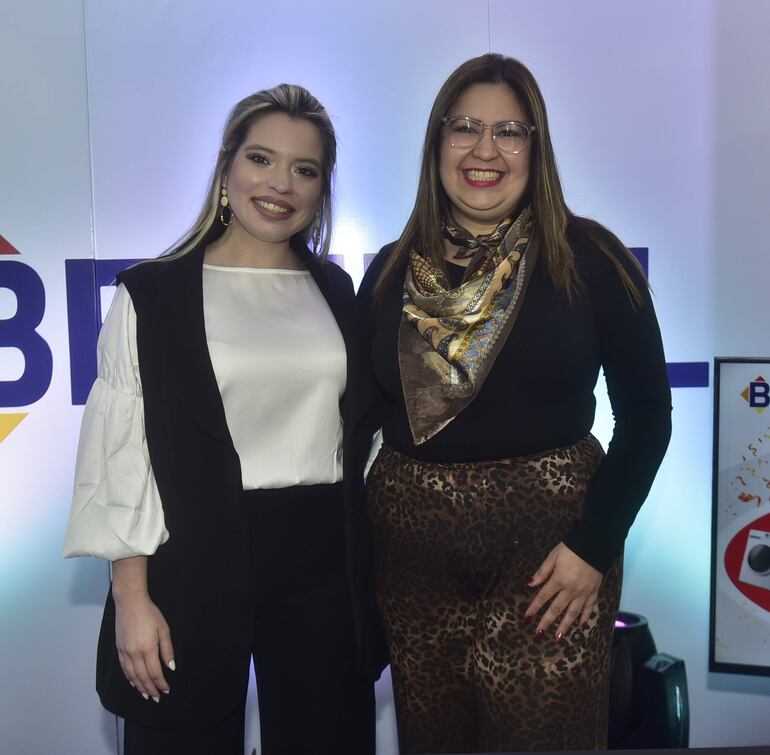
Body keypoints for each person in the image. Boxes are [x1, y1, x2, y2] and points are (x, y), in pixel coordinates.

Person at [357, 54, 672, 753]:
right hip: (413, 573)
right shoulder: (388, 270)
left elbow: (648, 415)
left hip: (551, 570)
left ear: (537, 147)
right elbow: (357, 424)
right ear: (437, 142)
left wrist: (594, 545)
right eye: (465, 127)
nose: (485, 150)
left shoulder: (593, 260)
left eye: (509, 131)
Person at [63, 84, 381, 755]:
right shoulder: (152, 294)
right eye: (261, 159)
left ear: (322, 189)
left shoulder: (336, 291)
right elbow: (124, 457)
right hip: (193, 554)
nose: (280, 184)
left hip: (323, 559)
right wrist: (132, 599)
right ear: (226, 165)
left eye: (304, 169)